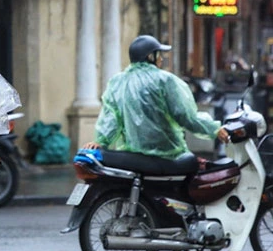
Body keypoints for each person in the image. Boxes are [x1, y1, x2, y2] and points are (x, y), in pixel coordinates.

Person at [83, 34, 229, 159]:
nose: (160, 59)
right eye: (158, 55)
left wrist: (102, 142)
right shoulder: (164, 80)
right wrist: (214, 129)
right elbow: (184, 116)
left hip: (132, 155)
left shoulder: (118, 82)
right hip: (167, 154)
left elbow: (111, 117)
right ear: (150, 56)